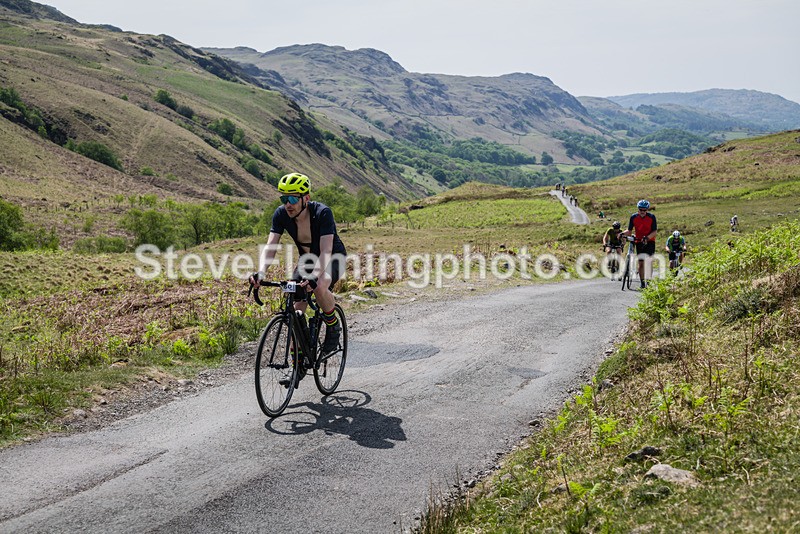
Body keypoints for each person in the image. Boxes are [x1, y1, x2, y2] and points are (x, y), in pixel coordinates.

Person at [250, 172, 347, 381]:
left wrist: (314, 277)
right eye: (284, 199)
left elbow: (326, 251)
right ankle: (299, 363)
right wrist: (260, 272)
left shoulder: (323, 213)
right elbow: (270, 247)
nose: (288, 204)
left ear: (306, 198)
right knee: (295, 309)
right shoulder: (281, 214)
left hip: (332, 257)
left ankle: (333, 325)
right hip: (307, 259)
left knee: (320, 285)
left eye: (293, 198)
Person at [621, 199, 657, 289]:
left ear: (647, 210)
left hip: (650, 241)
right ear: (638, 209)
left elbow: (655, 231)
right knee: (641, 263)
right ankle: (642, 282)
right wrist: (621, 234)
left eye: (644, 210)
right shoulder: (633, 217)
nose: (642, 212)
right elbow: (629, 231)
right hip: (639, 241)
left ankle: (648, 280)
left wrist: (648, 237)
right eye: (641, 210)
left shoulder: (652, 217)